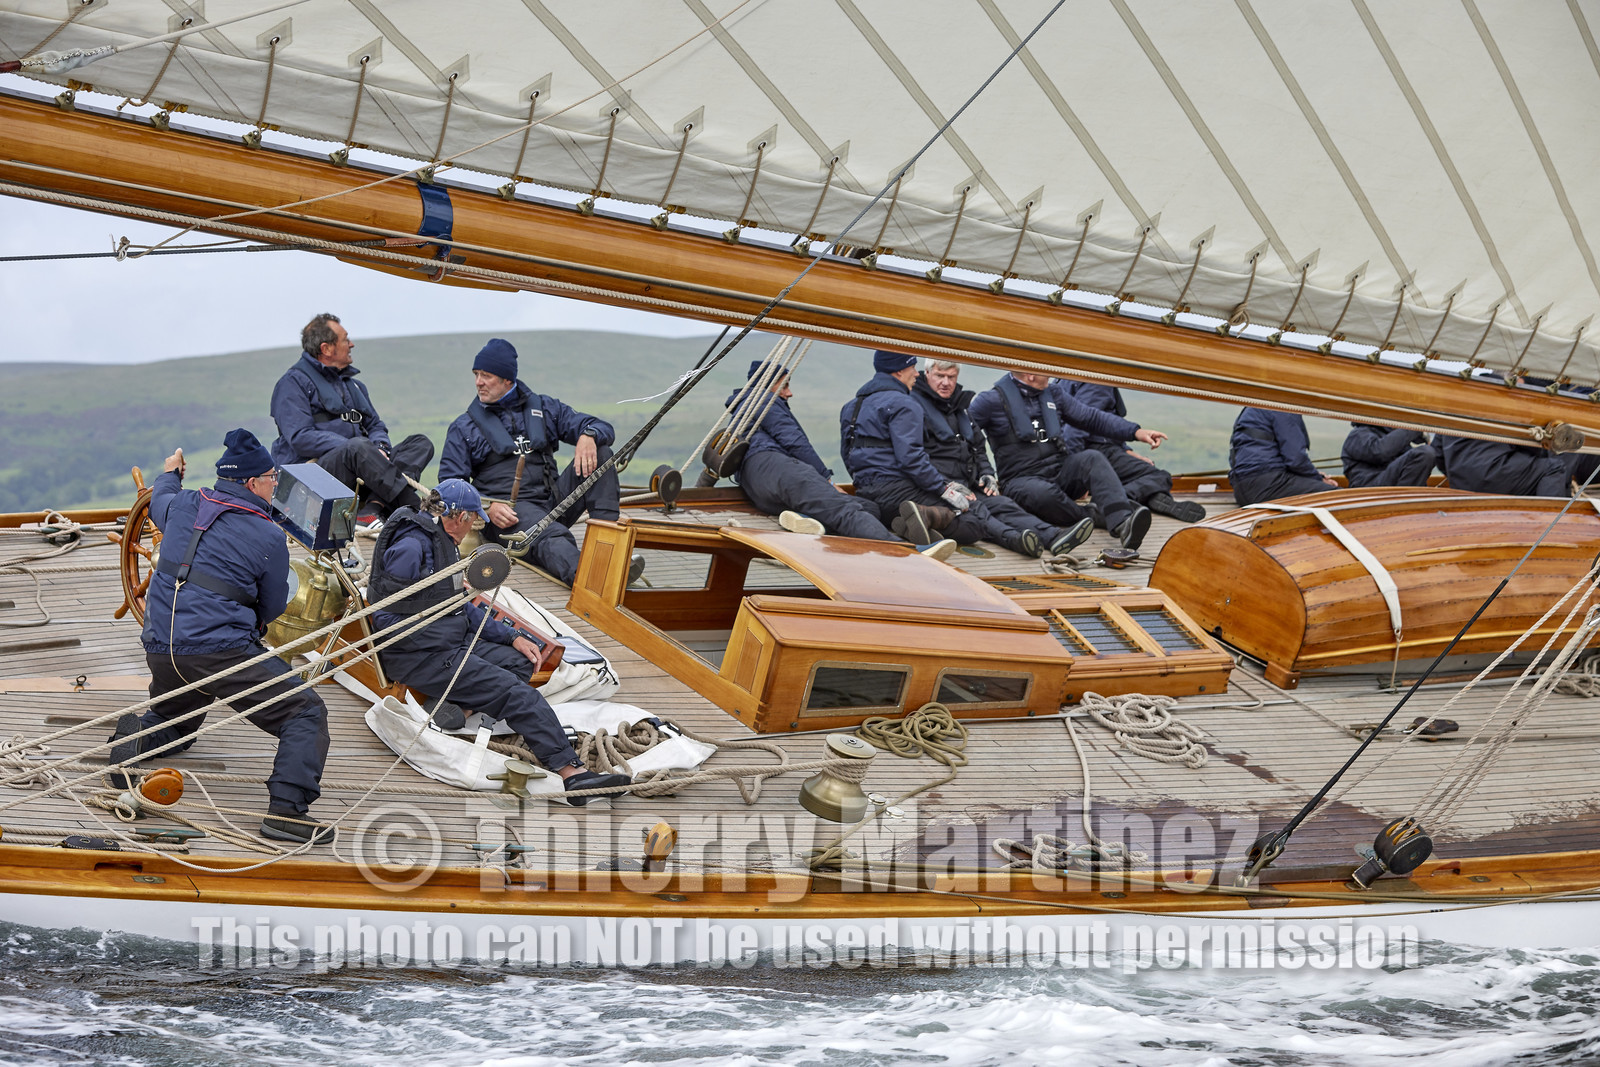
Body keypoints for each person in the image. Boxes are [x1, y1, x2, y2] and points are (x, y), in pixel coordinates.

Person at [106, 429, 333, 845]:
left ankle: (135, 740)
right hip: (217, 652)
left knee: (180, 723)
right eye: (270, 478)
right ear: (252, 484)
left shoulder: (181, 503)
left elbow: (159, 497)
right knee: (305, 713)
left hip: (160, 644)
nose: (274, 485)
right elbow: (272, 607)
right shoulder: (268, 535)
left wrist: (171, 473)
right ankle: (287, 814)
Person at [367, 479, 632, 806]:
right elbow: (386, 620)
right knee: (517, 694)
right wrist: (441, 637)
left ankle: (456, 705)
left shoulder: (441, 541)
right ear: (460, 516)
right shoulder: (410, 548)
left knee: (524, 661)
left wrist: (513, 636)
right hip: (420, 655)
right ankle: (573, 775)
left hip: (448, 640)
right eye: (474, 521)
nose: (473, 528)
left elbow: (460, 604)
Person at [843, 353, 1092, 557]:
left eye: (951, 376)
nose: (945, 381)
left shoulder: (851, 407)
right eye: (938, 375)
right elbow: (912, 458)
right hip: (924, 483)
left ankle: (1049, 537)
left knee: (1001, 504)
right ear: (904, 371)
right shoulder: (908, 404)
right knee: (974, 514)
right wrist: (945, 487)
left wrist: (986, 473)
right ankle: (1017, 540)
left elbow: (849, 453)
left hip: (879, 487)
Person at [723, 359, 956, 555]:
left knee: (869, 508)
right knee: (845, 510)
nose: (789, 392)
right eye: (784, 386)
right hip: (778, 469)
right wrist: (826, 480)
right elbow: (795, 442)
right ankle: (908, 551)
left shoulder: (747, 407)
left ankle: (803, 519)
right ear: (767, 385)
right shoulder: (764, 401)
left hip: (760, 487)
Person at [438, 338, 621, 586]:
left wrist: (589, 435)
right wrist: (487, 507)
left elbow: (601, 427)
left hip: (553, 503)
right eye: (476, 374)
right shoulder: (464, 427)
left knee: (602, 455)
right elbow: (450, 486)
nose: (478, 382)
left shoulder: (545, 409)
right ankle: (595, 581)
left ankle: (608, 551)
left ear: (507, 380)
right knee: (551, 536)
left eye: (486, 375)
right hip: (508, 517)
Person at [969, 371, 1162, 551]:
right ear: (1030, 375)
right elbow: (963, 436)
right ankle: (1093, 516)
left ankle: (1123, 522)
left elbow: (1092, 418)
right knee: (1042, 493)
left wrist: (1135, 432)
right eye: (1045, 369)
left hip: (1060, 471)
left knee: (1092, 458)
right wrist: (980, 474)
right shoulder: (989, 401)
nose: (1051, 373)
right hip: (1022, 480)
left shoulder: (1054, 393)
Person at [269, 313, 434, 517]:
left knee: (419, 443)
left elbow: (375, 426)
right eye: (345, 339)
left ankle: (374, 507)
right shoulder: (292, 384)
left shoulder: (355, 386)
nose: (352, 344)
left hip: (362, 467)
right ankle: (415, 509)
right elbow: (300, 437)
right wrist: (355, 448)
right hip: (314, 479)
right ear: (326, 348)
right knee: (358, 447)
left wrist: (380, 448)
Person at [1059, 380, 1207, 523]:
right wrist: (1077, 478)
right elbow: (1079, 428)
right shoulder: (1096, 382)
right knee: (1158, 476)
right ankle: (1113, 503)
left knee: (1140, 472)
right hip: (1096, 452)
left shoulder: (1064, 379)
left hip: (1094, 450)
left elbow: (1104, 422)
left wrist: (1126, 450)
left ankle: (1152, 498)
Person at [1227, 408, 1339, 506]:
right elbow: (1296, 459)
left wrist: (1314, 476)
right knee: (1342, 498)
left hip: (1242, 489)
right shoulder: (1283, 406)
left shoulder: (1253, 407)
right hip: (1267, 485)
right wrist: (1318, 479)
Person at [1439, 437, 1569, 497]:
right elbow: (1528, 443)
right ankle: (1551, 528)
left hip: (1461, 484)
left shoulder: (1447, 406)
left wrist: (1457, 477)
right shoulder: (1503, 399)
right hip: (1497, 474)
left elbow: (1438, 453)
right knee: (1554, 467)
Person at [1340, 424, 1439, 487]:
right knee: (1424, 453)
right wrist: (1415, 426)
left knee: (1427, 454)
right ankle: (1405, 503)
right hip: (1369, 492)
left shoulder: (1392, 436)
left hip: (1392, 487)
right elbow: (1380, 452)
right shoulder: (1358, 435)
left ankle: (1408, 502)